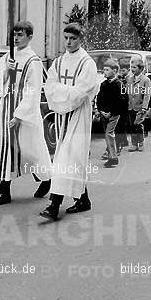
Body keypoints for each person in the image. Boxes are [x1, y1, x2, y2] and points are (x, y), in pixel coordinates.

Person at [0, 21, 52, 206]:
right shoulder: (7, 56)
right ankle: (4, 191)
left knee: (31, 150)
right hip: (5, 108)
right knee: (6, 149)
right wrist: (6, 71)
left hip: (24, 113)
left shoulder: (34, 61)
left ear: (30, 37)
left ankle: (47, 179)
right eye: (14, 35)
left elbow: (33, 90)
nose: (16, 38)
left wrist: (19, 115)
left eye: (20, 35)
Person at [39, 23, 99, 221]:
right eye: (66, 38)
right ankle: (83, 199)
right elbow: (50, 86)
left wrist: (61, 93)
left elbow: (81, 92)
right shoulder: (58, 62)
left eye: (73, 39)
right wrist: (64, 95)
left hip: (78, 115)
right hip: (61, 114)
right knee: (71, 159)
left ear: (81, 39)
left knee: (67, 158)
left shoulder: (87, 63)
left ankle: (54, 205)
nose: (68, 42)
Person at [96, 58, 123, 168]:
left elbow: (119, 101)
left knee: (109, 133)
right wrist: (101, 110)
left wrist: (111, 112)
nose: (104, 72)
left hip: (113, 114)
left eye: (107, 70)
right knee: (107, 135)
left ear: (115, 71)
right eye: (104, 70)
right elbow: (100, 98)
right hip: (104, 114)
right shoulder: (103, 84)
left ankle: (113, 157)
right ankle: (111, 156)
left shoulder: (118, 85)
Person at [125, 55, 151, 152]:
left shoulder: (145, 80)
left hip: (139, 107)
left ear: (141, 68)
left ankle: (141, 143)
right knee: (132, 126)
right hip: (130, 106)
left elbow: (147, 95)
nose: (132, 69)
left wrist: (144, 107)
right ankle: (134, 143)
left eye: (134, 67)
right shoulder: (129, 79)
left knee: (138, 125)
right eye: (131, 67)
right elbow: (127, 93)